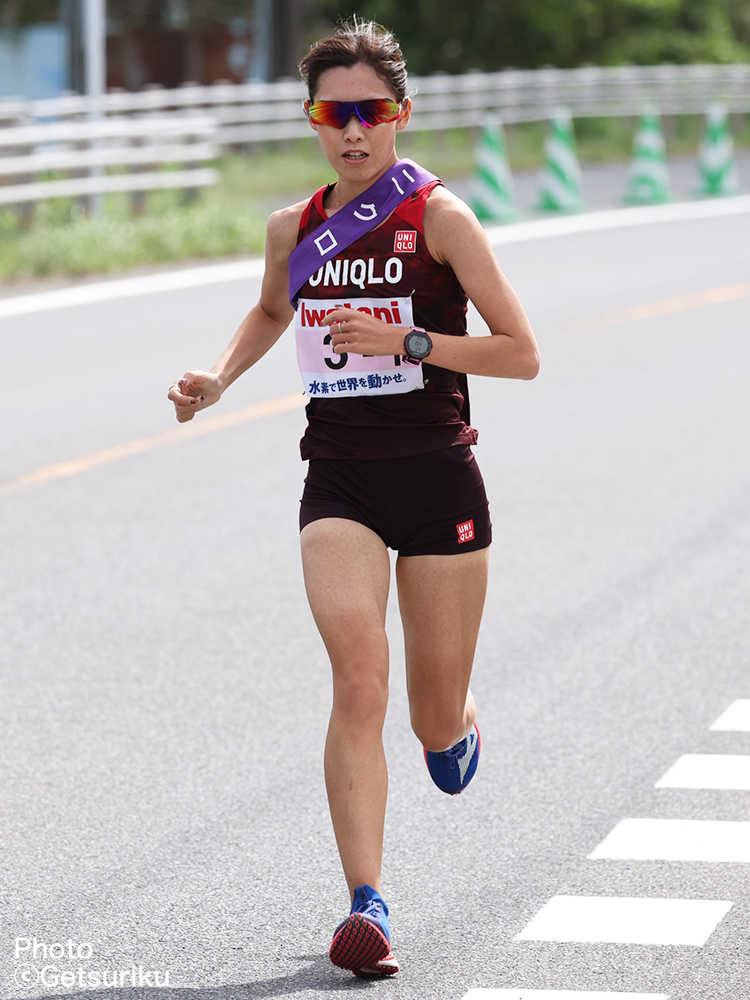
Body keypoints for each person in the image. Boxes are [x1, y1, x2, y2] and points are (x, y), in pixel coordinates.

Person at [168, 18, 539, 980]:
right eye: (335, 114)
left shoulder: (442, 219)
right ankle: (366, 905)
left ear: (400, 114)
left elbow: (522, 354)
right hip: (338, 478)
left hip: (438, 475)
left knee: (428, 718)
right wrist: (216, 377)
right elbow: (269, 308)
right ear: (313, 120)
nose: (354, 131)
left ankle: (456, 725)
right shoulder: (294, 228)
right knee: (358, 677)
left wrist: (412, 344)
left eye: (371, 112)